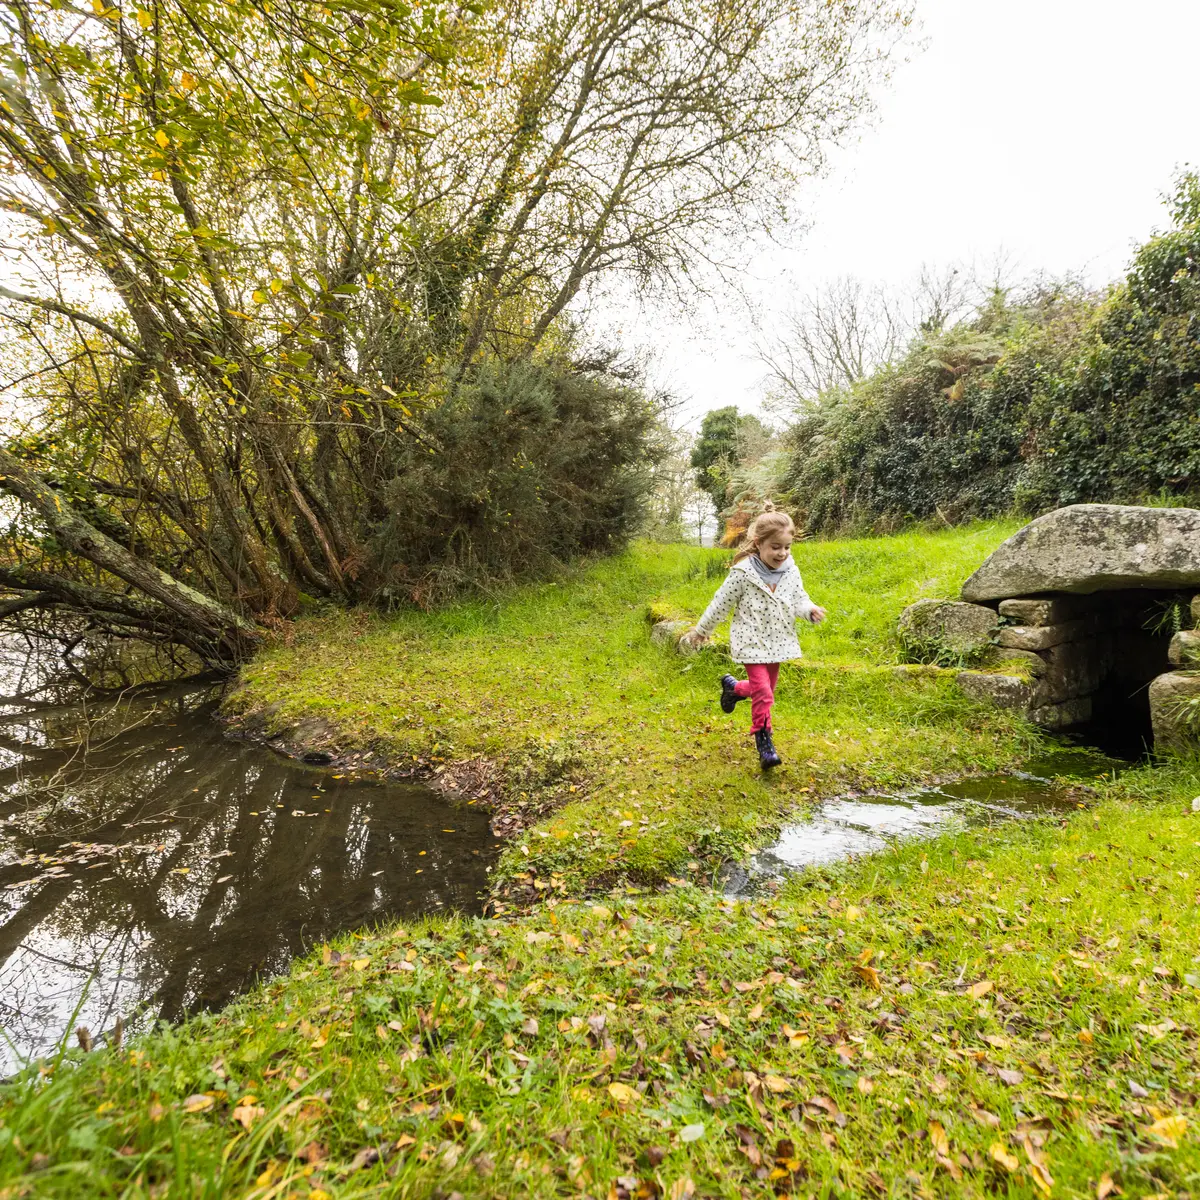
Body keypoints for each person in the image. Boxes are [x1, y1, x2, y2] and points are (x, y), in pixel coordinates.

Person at [681, 502, 826, 768]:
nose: (782, 553)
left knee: (766, 689)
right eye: (775, 547)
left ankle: (733, 688)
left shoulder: (791, 572)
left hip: (778, 641)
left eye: (787, 547)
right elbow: (720, 603)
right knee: (764, 693)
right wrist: (702, 630)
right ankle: (764, 739)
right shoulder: (743, 574)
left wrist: (810, 611)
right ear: (758, 544)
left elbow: (799, 599)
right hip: (751, 641)